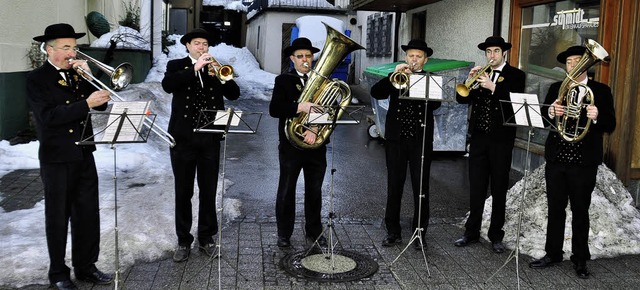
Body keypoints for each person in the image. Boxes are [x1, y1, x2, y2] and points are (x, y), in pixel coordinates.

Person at [27, 23, 114, 290]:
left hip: (83, 152)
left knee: (87, 214)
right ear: (49, 50)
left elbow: (101, 108)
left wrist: (90, 81)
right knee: (57, 216)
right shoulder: (37, 79)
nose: (71, 53)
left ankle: (86, 266)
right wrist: (85, 103)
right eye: (65, 48)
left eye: (74, 48)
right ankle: (58, 274)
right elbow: (49, 117)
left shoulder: (78, 75)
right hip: (56, 158)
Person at [529, 45, 616, 279]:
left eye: (579, 60)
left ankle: (580, 258)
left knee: (580, 211)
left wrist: (597, 117)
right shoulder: (556, 88)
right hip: (557, 158)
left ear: (588, 64)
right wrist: (551, 113)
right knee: (555, 209)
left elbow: (611, 125)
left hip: (584, 161)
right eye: (569, 62)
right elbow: (543, 119)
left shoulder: (601, 90)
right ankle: (553, 253)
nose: (574, 65)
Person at [161, 28, 240, 262]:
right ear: (187, 46)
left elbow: (234, 94)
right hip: (183, 138)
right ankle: (183, 240)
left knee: (208, 190)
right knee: (183, 191)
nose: (202, 48)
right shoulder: (176, 65)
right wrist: (194, 69)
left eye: (205, 44)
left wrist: (223, 78)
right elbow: (168, 85)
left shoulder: (216, 67)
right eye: (197, 43)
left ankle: (206, 237)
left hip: (209, 138)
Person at [453, 36, 526, 253]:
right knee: (476, 187)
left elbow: (516, 102)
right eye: (488, 52)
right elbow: (462, 99)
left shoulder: (516, 75)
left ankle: (496, 235)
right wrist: (470, 80)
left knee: (499, 188)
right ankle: (471, 232)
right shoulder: (480, 74)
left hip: (501, 141)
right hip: (479, 139)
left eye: (496, 51)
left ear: (504, 53)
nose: (491, 55)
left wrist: (493, 87)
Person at [371, 39, 441, 250]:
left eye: (418, 56)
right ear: (405, 58)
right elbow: (376, 93)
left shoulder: (430, 79)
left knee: (421, 188)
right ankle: (393, 231)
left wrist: (419, 85)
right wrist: (392, 76)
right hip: (396, 140)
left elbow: (436, 104)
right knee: (395, 185)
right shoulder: (396, 77)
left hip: (420, 140)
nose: (414, 59)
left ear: (425, 60)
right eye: (411, 55)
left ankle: (420, 232)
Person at [269, 37, 328, 249]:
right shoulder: (283, 80)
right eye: (300, 56)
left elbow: (329, 111)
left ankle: (314, 230)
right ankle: (284, 233)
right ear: (293, 59)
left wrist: (315, 129)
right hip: (290, 146)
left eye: (309, 56)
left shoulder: (323, 81)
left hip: (315, 145)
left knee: (315, 191)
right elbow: (275, 109)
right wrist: (299, 107)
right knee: (286, 190)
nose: (305, 60)